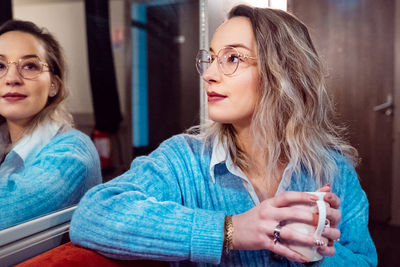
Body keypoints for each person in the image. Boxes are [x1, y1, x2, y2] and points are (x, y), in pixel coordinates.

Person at [70, 5, 377, 266]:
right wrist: (230, 230)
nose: (209, 74)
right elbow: (93, 215)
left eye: (232, 59)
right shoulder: (183, 160)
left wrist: (316, 255)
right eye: (212, 58)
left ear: (284, 72)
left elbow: (365, 260)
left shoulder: (334, 170)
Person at [0, 20, 101, 230]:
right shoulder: (3, 140)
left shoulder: (73, 152)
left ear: (54, 85)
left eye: (30, 66)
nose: (11, 78)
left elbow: (6, 213)